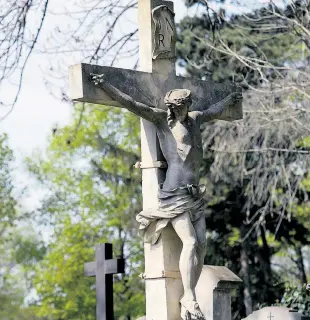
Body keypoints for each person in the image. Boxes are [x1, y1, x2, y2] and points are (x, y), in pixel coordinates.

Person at [91, 73, 242, 320]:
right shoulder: (163, 121)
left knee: (202, 245)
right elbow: (133, 104)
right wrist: (105, 85)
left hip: (194, 194)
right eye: (176, 106)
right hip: (174, 194)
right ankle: (189, 295)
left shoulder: (195, 119)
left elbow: (214, 110)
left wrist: (230, 99)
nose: (180, 110)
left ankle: (189, 294)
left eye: (183, 106)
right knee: (191, 242)